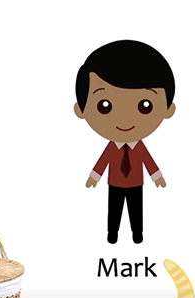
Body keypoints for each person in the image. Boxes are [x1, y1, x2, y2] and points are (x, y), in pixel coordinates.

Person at [75, 40, 175, 244]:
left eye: (145, 105)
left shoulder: (139, 147)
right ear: (81, 110)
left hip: (137, 183)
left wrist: (157, 177)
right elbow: (103, 161)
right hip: (115, 183)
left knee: (136, 211)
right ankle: (112, 235)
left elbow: (149, 162)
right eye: (105, 106)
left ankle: (137, 235)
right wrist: (95, 176)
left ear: (167, 109)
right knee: (115, 210)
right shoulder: (113, 147)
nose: (125, 119)